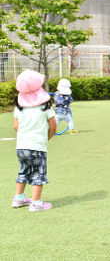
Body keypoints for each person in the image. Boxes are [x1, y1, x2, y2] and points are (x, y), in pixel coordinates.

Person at [12, 70, 56, 212]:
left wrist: (25, 138)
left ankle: (19, 199)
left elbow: (16, 126)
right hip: (37, 146)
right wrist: (46, 138)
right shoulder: (45, 106)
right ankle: (36, 203)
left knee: (23, 170)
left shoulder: (19, 107)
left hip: (21, 147)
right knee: (38, 173)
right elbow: (53, 126)